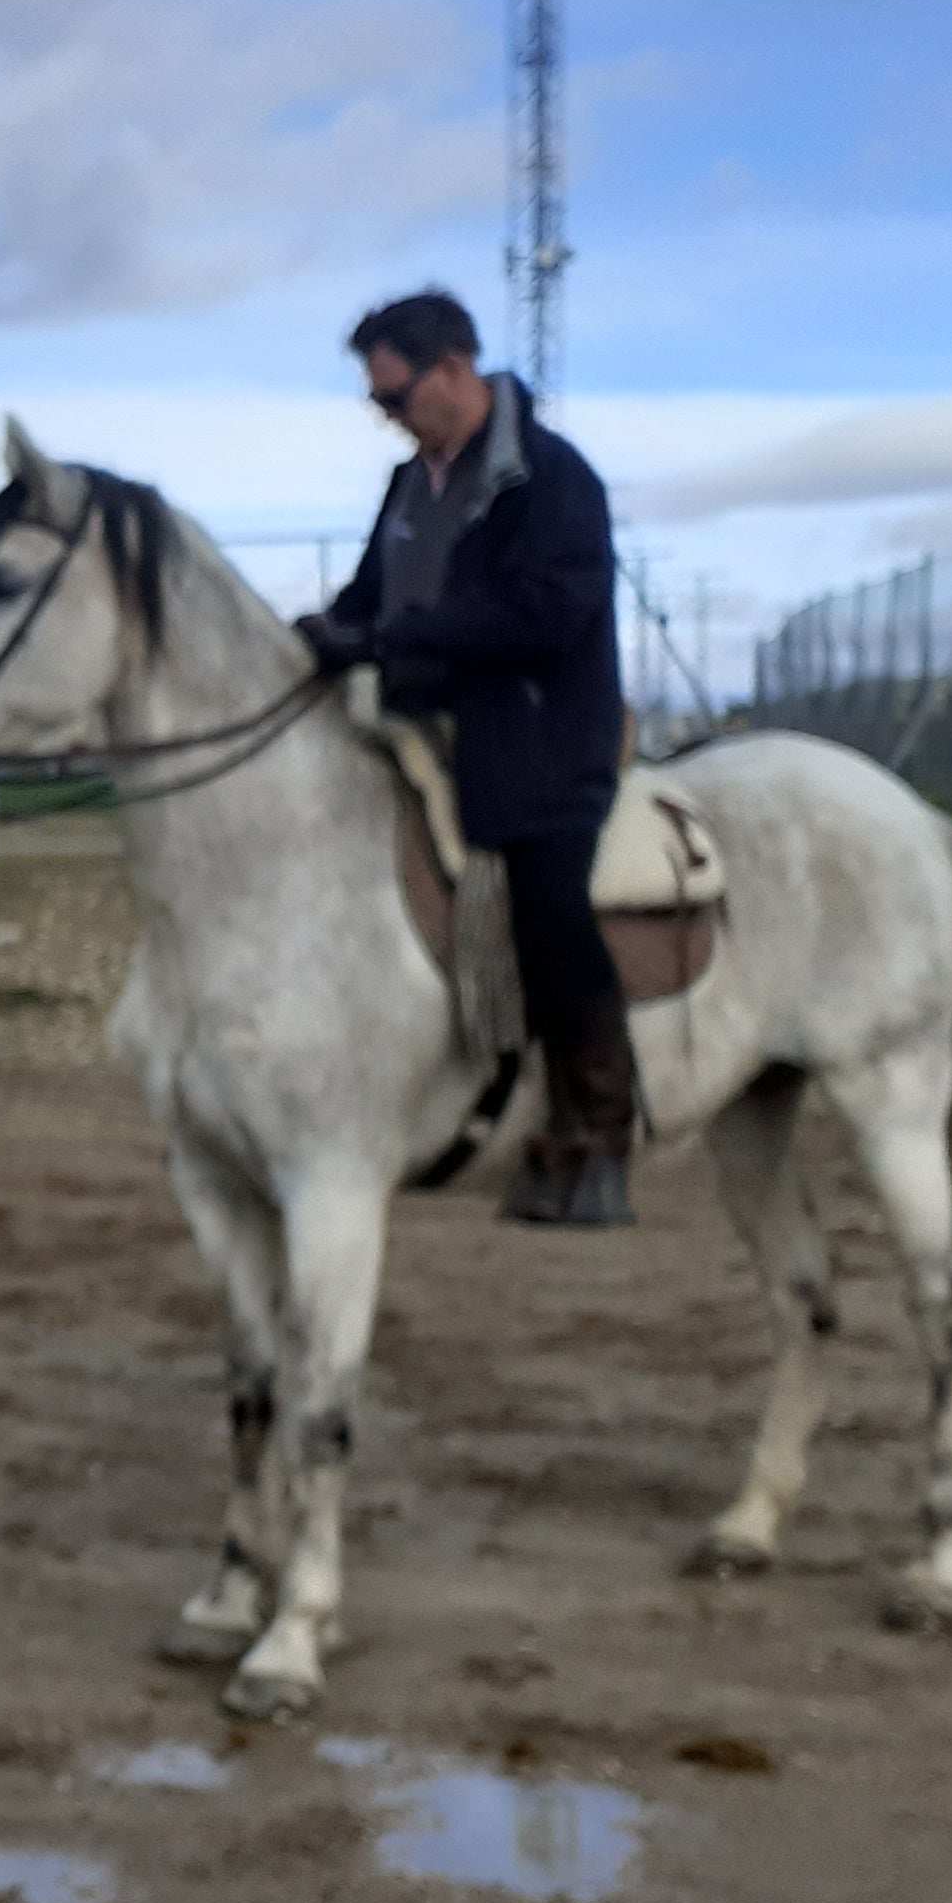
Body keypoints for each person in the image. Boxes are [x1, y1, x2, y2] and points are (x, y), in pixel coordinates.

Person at [297, 290, 635, 1227]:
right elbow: (372, 597)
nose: (387, 417)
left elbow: (547, 614)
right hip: (426, 726)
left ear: (453, 368)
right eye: (377, 402)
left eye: (395, 397)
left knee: (549, 902)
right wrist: (326, 633)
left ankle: (598, 1128)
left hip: (541, 738)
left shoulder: (552, 478)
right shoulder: (411, 483)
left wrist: (397, 637)